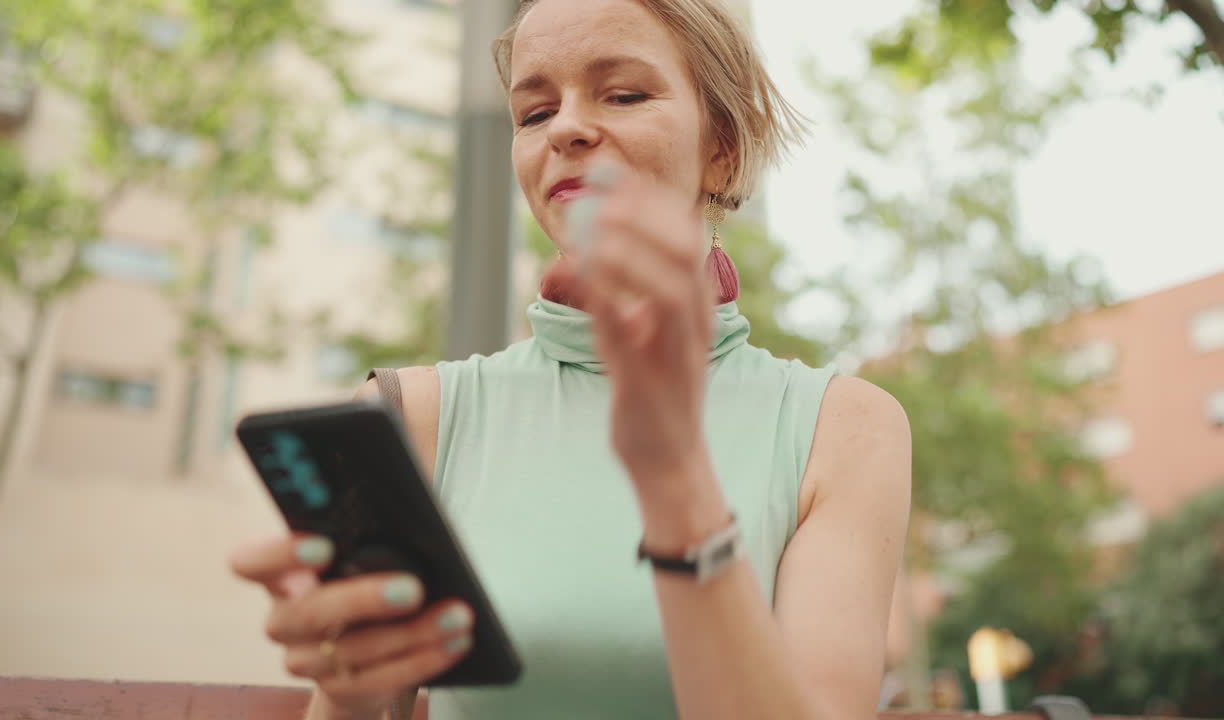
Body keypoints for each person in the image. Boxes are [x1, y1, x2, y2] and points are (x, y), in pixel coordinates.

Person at [228, 0, 912, 718]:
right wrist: (351, 692)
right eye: (533, 112)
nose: (567, 128)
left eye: (623, 94)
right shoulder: (413, 418)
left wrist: (676, 483)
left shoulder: (844, 428)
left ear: (724, 149)